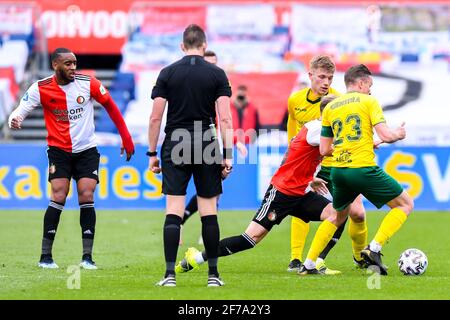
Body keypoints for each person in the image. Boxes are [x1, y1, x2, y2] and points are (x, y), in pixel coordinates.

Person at [174, 95, 365, 275]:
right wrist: (367, 144)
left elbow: (298, 155)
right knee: (249, 239)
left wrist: (309, 179)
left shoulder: (318, 128)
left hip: (301, 192)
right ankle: (196, 258)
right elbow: (332, 148)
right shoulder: (318, 128)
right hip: (282, 193)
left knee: (338, 213)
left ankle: (313, 263)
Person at [8, 47, 135, 270]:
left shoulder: (89, 83)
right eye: (68, 64)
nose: (73, 68)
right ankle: (45, 257)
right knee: (59, 193)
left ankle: (87, 257)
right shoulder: (41, 87)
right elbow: (21, 109)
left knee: (87, 193)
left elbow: (111, 107)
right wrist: (15, 119)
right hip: (59, 150)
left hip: (86, 149)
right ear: (55, 65)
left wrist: (126, 137)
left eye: (75, 63)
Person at [148, 24, 233, 287]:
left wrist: (152, 153)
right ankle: (214, 276)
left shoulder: (167, 73)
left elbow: (155, 118)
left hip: (176, 139)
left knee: (174, 210)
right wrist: (227, 154)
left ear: (182, 46)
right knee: (209, 211)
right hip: (206, 138)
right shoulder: (217, 73)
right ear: (204, 46)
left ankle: (169, 275)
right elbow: (226, 119)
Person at [318, 64, 413, 275]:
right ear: (361, 83)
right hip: (362, 168)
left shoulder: (332, 105)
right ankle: (374, 248)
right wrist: (398, 133)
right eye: (369, 85)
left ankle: (310, 262)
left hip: (339, 171)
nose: (370, 89)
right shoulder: (369, 101)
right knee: (405, 204)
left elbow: (324, 149)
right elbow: (388, 135)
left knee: (339, 215)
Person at [286, 55, 368, 275]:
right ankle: (296, 258)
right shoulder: (295, 101)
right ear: (310, 75)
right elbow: (293, 132)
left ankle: (359, 256)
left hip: (336, 163)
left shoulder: (340, 101)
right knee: (299, 205)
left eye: (330, 78)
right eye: (321, 77)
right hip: (308, 164)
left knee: (357, 213)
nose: (326, 82)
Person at [180, 51, 247, 246]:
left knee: (212, 190)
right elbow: (220, 121)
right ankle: (192, 224)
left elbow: (223, 121)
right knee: (210, 189)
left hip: (212, 140)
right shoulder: (201, 87)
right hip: (201, 140)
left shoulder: (217, 84)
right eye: (209, 62)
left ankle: (192, 225)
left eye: (214, 63)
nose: (211, 66)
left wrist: (235, 140)